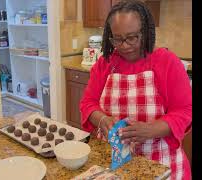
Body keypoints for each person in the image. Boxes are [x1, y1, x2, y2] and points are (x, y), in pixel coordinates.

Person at [79, 0, 192, 179]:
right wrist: (102, 120)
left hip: (160, 162)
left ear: (145, 32)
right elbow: (88, 103)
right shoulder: (105, 64)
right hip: (113, 160)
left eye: (132, 37)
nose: (124, 45)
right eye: (117, 38)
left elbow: (185, 111)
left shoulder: (167, 62)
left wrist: (151, 129)